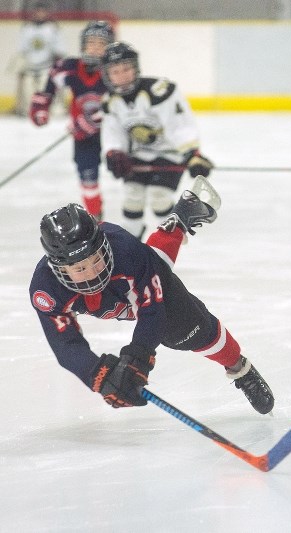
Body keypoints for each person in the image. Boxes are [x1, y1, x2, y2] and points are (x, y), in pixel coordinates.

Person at [30, 177, 274, 414]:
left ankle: (240, 368)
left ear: (103, 244)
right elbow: (65, 344)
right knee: (151, 262)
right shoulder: (46, 290)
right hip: (123, 287)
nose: (93, 274)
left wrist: (139, 357)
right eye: (80, 269)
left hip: (133, 283)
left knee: (188, 332)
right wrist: (99, 376)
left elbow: (151, 310)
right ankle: (181, 218)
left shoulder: (125, 248)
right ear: (59, 268)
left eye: (96, 260)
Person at [99, 41, 213, 239]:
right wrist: (114, 151)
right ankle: (130, 240)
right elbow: (112, 131)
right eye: (115, 72)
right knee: (132, 195)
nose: (122, 76)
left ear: (136, 68)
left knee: (159, 197)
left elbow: (179, 124)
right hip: (138, 155)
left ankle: (172, 236)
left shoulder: (159, 91)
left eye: (126, 69)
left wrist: (191, 154)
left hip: (169, 155)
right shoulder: (110, 101)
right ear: (107, 75)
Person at [29, 21, 115, 219]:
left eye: (100, 43)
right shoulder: (70, 68)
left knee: (129, 176)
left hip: (113, 135)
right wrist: (41, 106)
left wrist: (93, 121)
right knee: (87, 177)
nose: (94, 47)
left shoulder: (115, 70)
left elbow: (119, 103)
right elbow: (49, 87)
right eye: (90, 42)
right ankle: (96, 218)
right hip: (83, 136)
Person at [12, 1, 65, 116]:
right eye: (38, 11)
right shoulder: (27, 28)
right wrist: (20, 67)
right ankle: (25, 111)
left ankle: (49, 110)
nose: (40, 14)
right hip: (30, 67)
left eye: (43, 11)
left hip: (47, 67)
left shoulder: (53, 28)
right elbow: (22, 51)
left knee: (47, 91)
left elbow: (59, 51)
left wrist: (57, 67)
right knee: (27, 90)